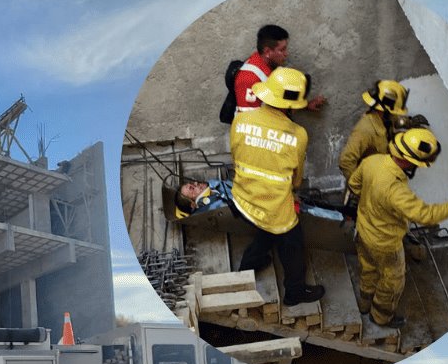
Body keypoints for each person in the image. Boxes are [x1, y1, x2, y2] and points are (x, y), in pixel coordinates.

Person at [348, 128, 448, 328]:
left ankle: (364, 303)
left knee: (368, 268)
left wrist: (373, 206)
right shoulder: (396, 191)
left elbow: (354, 184)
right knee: (392, 281)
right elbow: (427, 216)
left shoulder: (372, 161)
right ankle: (380, 317)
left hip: (363, 231)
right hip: (385, 243)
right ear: (408, 161)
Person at [230, 66, 325, 306]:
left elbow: (237, 154)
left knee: (266, 229)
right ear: (292, 104)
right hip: (274, 205)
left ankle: (246, 269)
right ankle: (295, 292)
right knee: (291, 239)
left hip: (242, 198)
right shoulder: (298, 134)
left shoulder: (240, 119)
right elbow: (297, 180)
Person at [234, 24, 327, 116]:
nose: (286, 54)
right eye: (282, 50)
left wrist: (305, 105)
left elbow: (279, 100)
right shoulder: (249, 79)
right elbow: (249, 123)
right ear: (267, 52)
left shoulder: (267, 64)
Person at [173, 178, 345, 223]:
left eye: (191, 184)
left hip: (259, 194)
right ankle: (341, 218)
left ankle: (341, 213)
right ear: (193, 203)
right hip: (260, 207)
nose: (195, 184)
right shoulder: (210, 204)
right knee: (303, 210)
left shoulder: (211, 188)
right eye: (191, 189)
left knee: (302, 203)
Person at [338, 80, 410, 180]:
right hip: (369, 184)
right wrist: (360, 187)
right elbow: (346, 161)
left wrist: (410, 122)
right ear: (386, 108)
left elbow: (396, 120)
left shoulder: (385, 118)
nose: (396, 114)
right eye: (394, 111)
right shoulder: (365, 129)